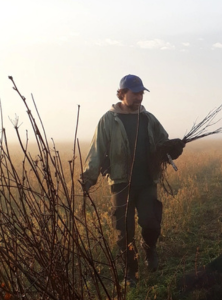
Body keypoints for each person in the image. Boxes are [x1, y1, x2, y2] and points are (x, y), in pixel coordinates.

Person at [81, 74, 185, 286]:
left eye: (141, 93)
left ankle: (150, 250)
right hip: (121, 184)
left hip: (147, 182)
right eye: (135, 93)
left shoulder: (149, 118)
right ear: (122, 93)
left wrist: (173, 149)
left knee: (151, 223)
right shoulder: (108, 120)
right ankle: (130, 272)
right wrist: (88, 178)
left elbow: (162, 142)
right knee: (124, 231)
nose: (139, 97)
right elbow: (97, 150)